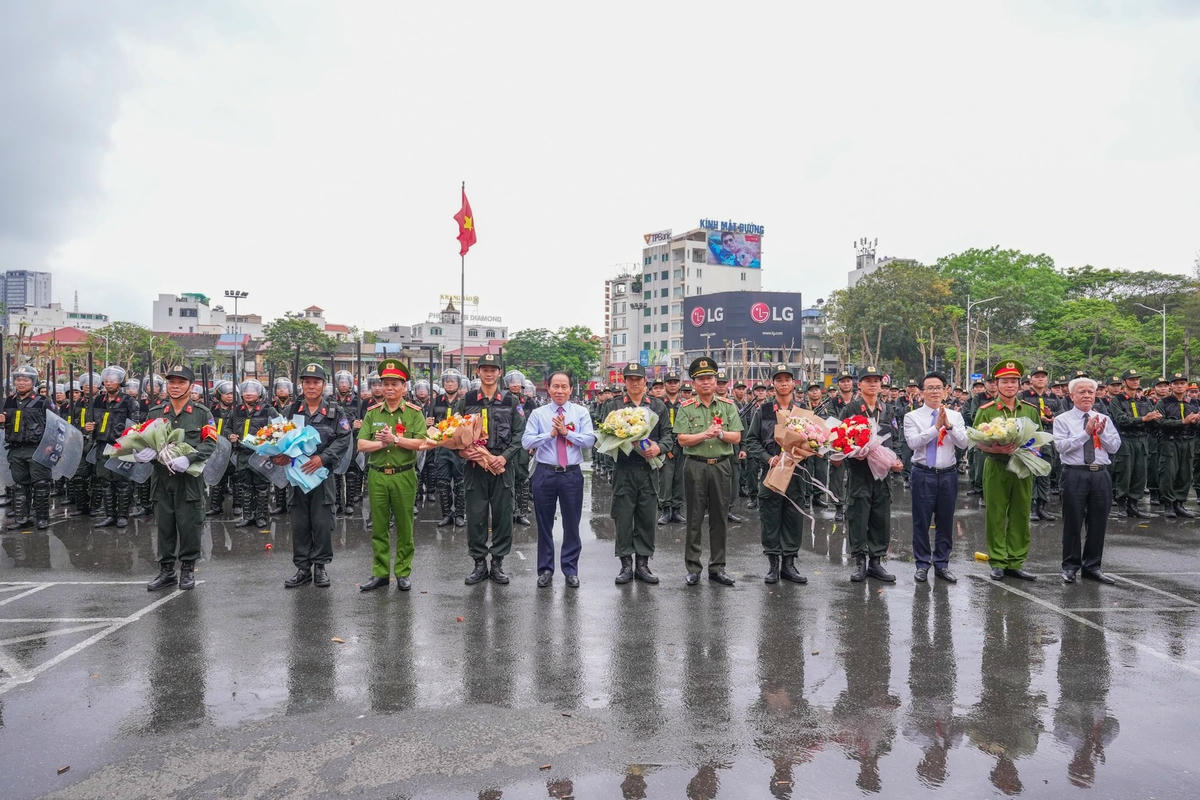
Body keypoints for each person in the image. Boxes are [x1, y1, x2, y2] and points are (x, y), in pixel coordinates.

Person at [357, 359, 431, 592]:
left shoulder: (414, 413)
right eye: (385, 384)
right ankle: (380, 573)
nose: (389, 388)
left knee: (404, 525)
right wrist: (382, 443)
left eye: (394, 384)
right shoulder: (372, 413)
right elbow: (361, 444)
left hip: (404, 475)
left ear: (404, 387)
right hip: (378, 475)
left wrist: (396, 439)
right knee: (379, 527)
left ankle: (402, 572)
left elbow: (422, 443)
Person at [277, 363, 352, 588]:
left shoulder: (335, 411)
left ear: (323, 385)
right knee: (300, 522)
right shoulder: (291, 411)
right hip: (297, 476)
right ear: (301, 385)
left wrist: (323, 458)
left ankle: (320, 567)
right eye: (307, 382)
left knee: (321, 522)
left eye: (316, 382)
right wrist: (279, 455)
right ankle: (303, 568)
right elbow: (278, 437)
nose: (311, 386)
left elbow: (344, 439)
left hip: (321, 475)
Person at [455, 353, 526, 585]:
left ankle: (497, 563)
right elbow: (452, 431)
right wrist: (462, 451)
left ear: (499, 373)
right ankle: (479, 563)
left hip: (501, 467)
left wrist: (504, 458)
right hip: (475, 467)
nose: (488, 373)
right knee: (476, 516)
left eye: (492, 369)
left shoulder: (510, 401)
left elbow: (519, 434)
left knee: (503, 516)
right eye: (484, 369)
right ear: (478, 372)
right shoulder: (467, 401)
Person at [146, 365, 217, 592]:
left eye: (181, 382)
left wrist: (189, 458)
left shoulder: (202, 413)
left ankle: (187, 568)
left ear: (190, 386)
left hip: (189, 479)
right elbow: (145, 439)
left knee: (189, 525)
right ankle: (166, 570)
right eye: (171, 382)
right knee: (164, 525)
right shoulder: (155, 412)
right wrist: (142, 453)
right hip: (162, 479)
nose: (175, 387)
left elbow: (210, 443)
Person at [522, 371, 596, 588]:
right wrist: (550, 435)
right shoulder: (538, 414)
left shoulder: (581, 412)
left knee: (571, 524)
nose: (560, 391)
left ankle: (570, 569)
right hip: (544, 473)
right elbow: (526, 442)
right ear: (548, 388)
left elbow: (589, 441)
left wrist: (566, 433)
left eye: (564, 386)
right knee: (544, 523)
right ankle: (545, 569)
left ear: (571, 389)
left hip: (571, 474)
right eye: (556, 386)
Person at [673, 356, 742, 586]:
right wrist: (705, 434)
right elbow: (682, 439)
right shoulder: (686, 408)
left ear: (716, 381)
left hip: (721, 465)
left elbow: (736, 436)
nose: (706, 382)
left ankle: (717, 567)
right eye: (701, 379)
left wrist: (720, 434)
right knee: (694, 517)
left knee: (719, 518)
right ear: (694, 383)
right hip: (696, 465)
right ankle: (693, 568)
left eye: (709, 378)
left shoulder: (727, 406)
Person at [599, 364, 669, 586]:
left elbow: (668, 435)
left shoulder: (657, 406)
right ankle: (626, 565)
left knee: (646, 517)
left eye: (638, 379)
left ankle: (643, 564)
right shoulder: (614, 405)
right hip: (624, 468)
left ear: (645, 382)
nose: (635, 383)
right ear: (625, 382)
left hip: (648, 469)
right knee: (623, 517)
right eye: (630, 379)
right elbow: (603, 433)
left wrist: (658, 448)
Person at [974, 361, 1043, 581]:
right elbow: (976, 440)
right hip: (997, 466)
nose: (1010, 385)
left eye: (1014, 381)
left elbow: (1039, 437)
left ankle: (1015, 561)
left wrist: (1032, 452)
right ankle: (997, 561)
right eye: (1005, 381)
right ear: (996, 384)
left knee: (1021, 513)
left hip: (1023, 467)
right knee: (995, 514)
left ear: (1020, 384)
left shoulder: (1030, 410)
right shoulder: (986, 410)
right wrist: (996, 448)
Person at [743, 364, 808, 585]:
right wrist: (768, 458)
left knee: (793, 516)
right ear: (773, 384)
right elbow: (751, 440)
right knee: (770, 516)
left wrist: (805, 451)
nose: (783, 383)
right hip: (771, 471)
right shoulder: (763, 411)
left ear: (793, 383)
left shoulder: (802, 410)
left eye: (787, 379)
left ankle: (789, 564)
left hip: (796, 473)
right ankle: (773, 565)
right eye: (779, 380)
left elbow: (814, 438)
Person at [1054, 377, 1122, 585]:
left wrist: (1101, 434)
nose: (1086, 396)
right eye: (1081, 392)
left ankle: (1092, 566)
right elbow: (1061, 447)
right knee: (1073, 521)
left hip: (1100, 474)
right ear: (1072, 396)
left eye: (1090, 392)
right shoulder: (1063, 419)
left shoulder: (1103, 418)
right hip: (1075, 473)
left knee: (1098, 522)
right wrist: (1086, 433)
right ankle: (1070, 566)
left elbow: (1115, 446)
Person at [840, 366, 904, 582]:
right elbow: (839, 439)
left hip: (883, 474)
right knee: (858, 516)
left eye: (876, 381)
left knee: (880, 516)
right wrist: (852, 455)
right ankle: (860, 561)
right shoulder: (850, 409)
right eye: (868, 381)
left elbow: (895, 437)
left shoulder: (887, 409)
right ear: (859, 385)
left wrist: (897, 459)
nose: (873, 384)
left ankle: (876, 562)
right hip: (859, 472)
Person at [904, 371, 967, 583]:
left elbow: (964, 443)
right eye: (929, 388)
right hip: (923, 473)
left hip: (948, 474)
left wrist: (949, 426)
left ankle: (942, 564)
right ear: (922, 392)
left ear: (946, 391)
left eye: (938, 387)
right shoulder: (912, 416)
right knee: (921, 521)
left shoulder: (955, 416)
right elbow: (913, 443)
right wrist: (936, 427)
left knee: (945, 521)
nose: (934, 392)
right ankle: (922, 564)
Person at [88, 365, 142, 528]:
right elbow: (92, 423)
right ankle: (110, 515)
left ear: (120, 382)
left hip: (122, 446)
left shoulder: (129, 402)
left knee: (122, 482)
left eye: (113, 380)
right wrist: (89, 428)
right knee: (105, 481)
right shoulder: (98, 400)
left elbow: (135, 426)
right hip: (102, 446)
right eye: (106, 379)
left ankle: (123, 515)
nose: (108, 382)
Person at [1, 365, 52, 530]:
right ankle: (22, 519)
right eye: (18, 379)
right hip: (16, 449)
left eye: (25, 380)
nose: (21, 383)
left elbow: (55, 425)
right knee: (20, 486)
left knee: (41, 485)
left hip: (37, 449)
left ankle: (42, 518)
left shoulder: (43, 401)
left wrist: (49, 446)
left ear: (33, 382)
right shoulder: (9, 401)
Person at [1108, 369, 1159, 518]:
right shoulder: (1117, 400)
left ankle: (1133, 504)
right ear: (1124, 382)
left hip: (1141, 439)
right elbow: (1121, 420)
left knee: (1140, 473)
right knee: (1125, 472)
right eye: (1131, 379)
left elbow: (1151, 418)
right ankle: (1122, 505)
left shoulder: (1144, 400)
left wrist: (1155, 419)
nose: (1135, 381)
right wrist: (1143, 419)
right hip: (1125, 439)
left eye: (1137, 379)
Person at [231, 379, 276, 528]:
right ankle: (247, 516)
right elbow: (227, 428)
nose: (248, 394)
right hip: (242, 455)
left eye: (252, 391)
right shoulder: (237, 410)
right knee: (245, 486)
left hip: (260, 455)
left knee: (262, 486)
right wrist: (230, 435)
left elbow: (279, 429)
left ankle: (261, 517)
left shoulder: (268, 410)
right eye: (245, 391)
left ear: (260, 393)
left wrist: (268, 443)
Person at [1154, 372, 1200, 518]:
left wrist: (1196, 421)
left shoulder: (1193, 403)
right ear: (1171, 386)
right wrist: (1182, 422)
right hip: (1170, 441)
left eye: (1182, 383)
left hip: (1188, 441)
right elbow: (1160, 422)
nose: (1179, 386)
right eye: (1176, 383)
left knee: (1185, 473)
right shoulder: (1163, 402)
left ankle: (1179, 503)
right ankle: (1168, 504)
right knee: (1168, 473)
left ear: (1186, 385)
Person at [1020, 366, 1059, 523]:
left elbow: (1062, 414)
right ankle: (1031, 507)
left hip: (1048, 436)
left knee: (1045, 472)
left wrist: (1052, 415)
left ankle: (1042, 506)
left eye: (1043, 376)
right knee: (1031, 473)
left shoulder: (1054, 397)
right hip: (1031, 438)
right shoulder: (1023, 396)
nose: (1040, 379)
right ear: (1031, 380)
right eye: (1037, 376)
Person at [429, 368, 467, 527]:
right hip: (441, 447)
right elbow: (430, 421)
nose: (449, 384)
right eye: (447, 381)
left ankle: (460, 514)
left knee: (460, 482)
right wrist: (429, 424)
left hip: (459, 448)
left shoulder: (464, 401)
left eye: (452, 381)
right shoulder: (436, 401)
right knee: (443, 482)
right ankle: (446, 514)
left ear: (458, 383)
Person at [505, 369, 535, 527]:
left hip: (524, 444)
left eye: (518, 382)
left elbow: (536, 423)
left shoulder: (529, 402)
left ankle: (521, 513)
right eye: (512, 382)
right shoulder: (503, 400)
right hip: (507, 445)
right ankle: (510, 511)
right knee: (507, 480)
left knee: (523, 479)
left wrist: (533, 444)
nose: (515, 385)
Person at [656, 372, 687, 525]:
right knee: (665, 478)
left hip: (682, 445)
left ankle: (676, 510)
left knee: (680, 478)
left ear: (679, 384)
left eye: (675, 382)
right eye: (669, 382)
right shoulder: (658, 404)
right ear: (665, 385)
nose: (673, 385)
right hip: (665, 445)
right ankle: (665, 510)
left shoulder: (685, 404)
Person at [333, 370, 364, 516]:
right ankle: (337, 503)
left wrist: (360, 425)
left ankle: (350, 503)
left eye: (346, 382)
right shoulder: (330, 400)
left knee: (351, 472)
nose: (343, 385)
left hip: (353, 439)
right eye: (341, 382)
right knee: (336, 473)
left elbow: (365, 419)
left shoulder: (358, 402)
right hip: (336, 440)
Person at [206, 380, 239, 518]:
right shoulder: (211, 410)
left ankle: (238, 505)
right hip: (217, 448)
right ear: (219, 395)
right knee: (217, 478)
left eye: (232, 393)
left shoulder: (239, 410)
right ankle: (215, 506)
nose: (230, 396)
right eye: (226, 393)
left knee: (237, 478)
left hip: (234, 448)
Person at [827, 372, 856, 520]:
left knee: (855, 475)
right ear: (838, 384)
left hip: (856, 443)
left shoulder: (859, 401)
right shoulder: (833, 402)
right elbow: (832, 421)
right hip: (838, 443)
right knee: (836, 475)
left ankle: (852, 505)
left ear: (852, 383)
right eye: (843, 381)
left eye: (848, 381)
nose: (846, 384)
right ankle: (838, 506)